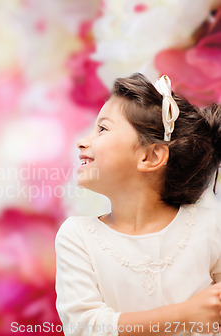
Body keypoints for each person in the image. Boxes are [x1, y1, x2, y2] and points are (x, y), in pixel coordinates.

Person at [55, 73, 221, 335]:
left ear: (150, 156)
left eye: (102, 129)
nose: (82, 141)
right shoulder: (78, 236)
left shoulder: (209, 226)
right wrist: (185, 314)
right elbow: (83, 326)